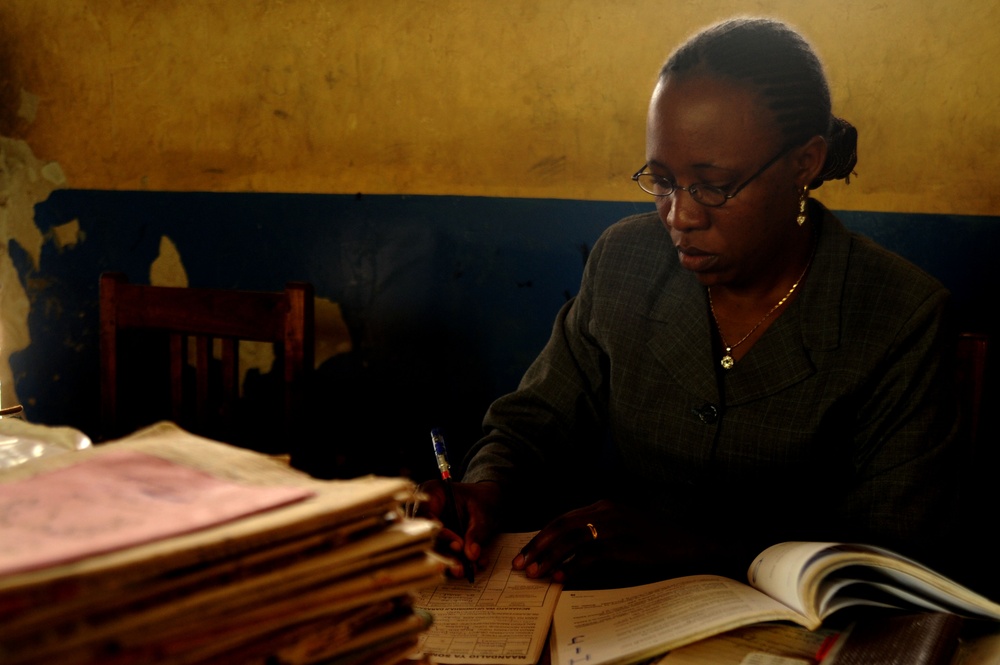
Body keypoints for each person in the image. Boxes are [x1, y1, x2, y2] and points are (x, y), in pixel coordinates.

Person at [420, 16, 962, 590]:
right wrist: (485, 487)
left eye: (713, 185)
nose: (680, 216)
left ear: (804, 163)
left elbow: (899, 554)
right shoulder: (627, 260)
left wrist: (699, 551)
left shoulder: (898, 314)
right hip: (619, 619)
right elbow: (534, 423)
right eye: (662, 181)